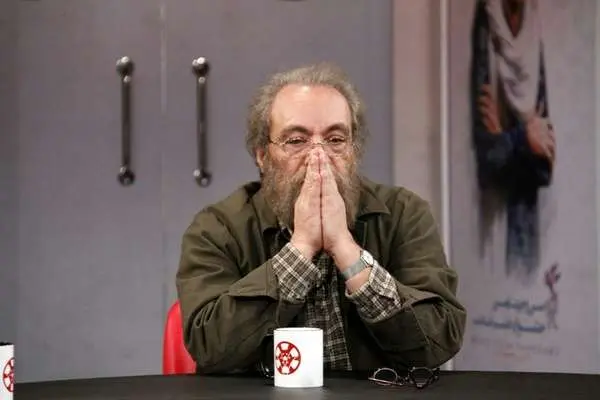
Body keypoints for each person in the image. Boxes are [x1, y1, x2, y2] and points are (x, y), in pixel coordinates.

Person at [176, 63, 466, 375]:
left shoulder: (405, 213)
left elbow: (439, 341)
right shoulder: (216, 229)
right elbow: (209, 348)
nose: (319, 156)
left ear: (354, 151)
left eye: (335, 139)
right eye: (296, 140)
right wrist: (301, 249)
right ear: (262, 156)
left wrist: (347, 251)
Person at [471, 0, 555, 283]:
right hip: (491, 226)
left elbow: (545, 164)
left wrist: (507, 140)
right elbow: (488, 161)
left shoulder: (535, 25)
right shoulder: (488, 21)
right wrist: (522, 139)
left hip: (530, 223)